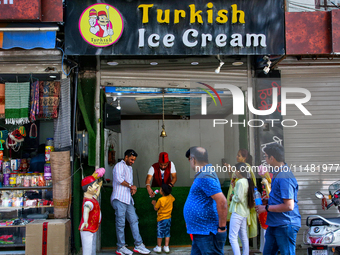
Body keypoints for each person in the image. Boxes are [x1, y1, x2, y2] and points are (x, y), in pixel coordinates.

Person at [255, 143, 301, 255]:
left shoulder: (284, 176)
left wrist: (266, 207)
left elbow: (289, 206)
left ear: (272, 158)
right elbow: (281, 199)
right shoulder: (278, 173)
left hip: (285, 224)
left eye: (266, 156)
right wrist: (268, 201)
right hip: (275, 223)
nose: (265, 159)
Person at [183, 146, 228, 255]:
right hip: (200, 230)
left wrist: (222, 227)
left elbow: (222, 201)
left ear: (193, 159)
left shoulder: (206, 175)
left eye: (189, 160)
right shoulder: (203, 173)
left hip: (206, 231)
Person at [111, 149, 151, 255]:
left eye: (134, 160)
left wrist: (132, 188)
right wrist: (130, 186)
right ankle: (121, 247)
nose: (133, 162)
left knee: (134, 220)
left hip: (128, 199)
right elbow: (119, 179)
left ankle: (138, 245)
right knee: (120, 224)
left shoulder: (130, 168)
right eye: (132, 159)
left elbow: (130, 183)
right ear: (126, 157)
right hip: (119, 198)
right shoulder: (119, 165)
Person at [224, 149, 257, 239]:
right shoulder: (241, 169)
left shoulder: (245, 168)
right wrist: (229, 170)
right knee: (241, 231)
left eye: (239, 155)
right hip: (238, 199)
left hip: (241, 201)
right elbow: (233, 179)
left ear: (244, 157)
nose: (236, 157)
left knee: (238, 232)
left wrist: (233, 197)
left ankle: (239, 248)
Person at [229, 163, 255, 255]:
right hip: (244, 212)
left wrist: (232, 197)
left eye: (235, 170)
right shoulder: (246, 181)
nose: (234, 172)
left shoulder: (240, 182)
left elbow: (239, 198)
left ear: (239, 170)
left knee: (232, 237)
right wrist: (233, 186)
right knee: (243, 235)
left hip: (238, 212)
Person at [79, 171, 104, 255]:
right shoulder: (88, 203)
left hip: (93, 228)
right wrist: (85, 221)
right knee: (87, 250)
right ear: (89, 188)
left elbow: (96, 195)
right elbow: (86, 210)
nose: (96, 186)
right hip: (87, 228)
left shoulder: (92, 199)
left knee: (92, 248)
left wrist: (99, 186)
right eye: (95, 185)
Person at [151, 183, 175, 253]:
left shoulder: (160, 200)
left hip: (161, 219)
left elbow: (156, 208)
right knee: (167, 232)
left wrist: (154, 203)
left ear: (162, 192)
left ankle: (159, 247)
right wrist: (169, 192)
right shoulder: (170, 197)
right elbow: (173, 198)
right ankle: (166, 247)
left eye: (161, 189)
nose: (159, 190)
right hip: (168, 218)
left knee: (160, 233)